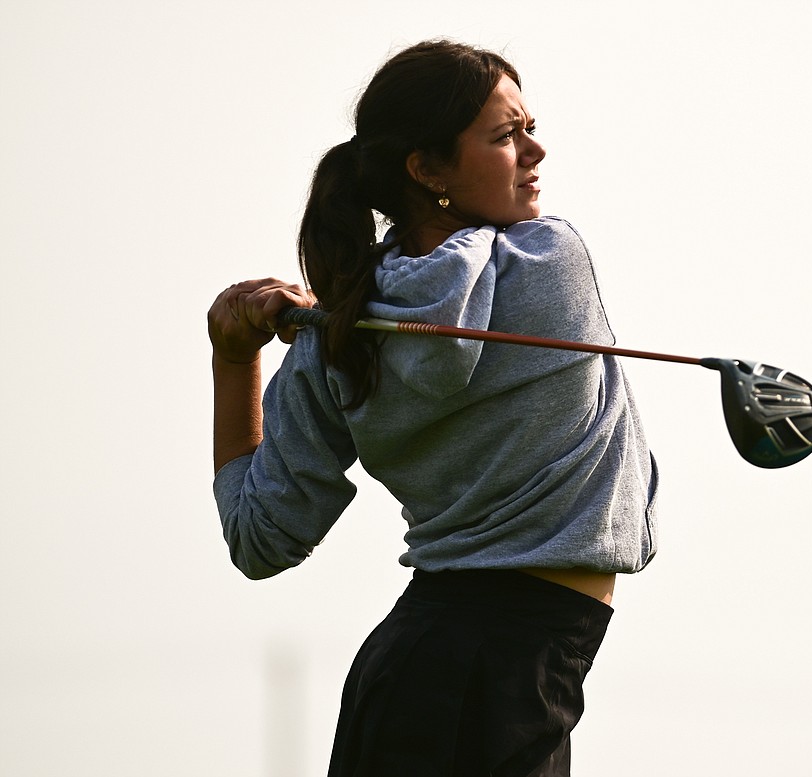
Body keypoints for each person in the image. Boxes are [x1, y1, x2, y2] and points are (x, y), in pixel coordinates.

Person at [206, 39, 659, 776]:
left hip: (441, 671)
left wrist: (235, 361)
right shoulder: (550, 257)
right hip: (493, 673)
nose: (536, 152)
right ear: (426, 169)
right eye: (506, 135)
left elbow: (258, 536)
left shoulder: (339, 336)